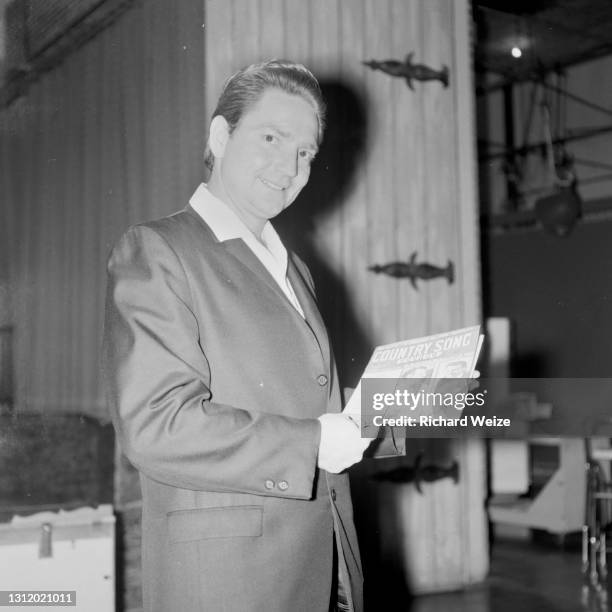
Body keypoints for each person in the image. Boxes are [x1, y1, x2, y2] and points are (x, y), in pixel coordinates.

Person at [102, 60, 379, 612]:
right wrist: (314, 443)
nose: (290, 166)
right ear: (220, 136)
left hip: (317, 563)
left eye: (305, 152)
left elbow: (298, 404)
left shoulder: (292, 266)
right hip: (228, 582)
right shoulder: (159, 251)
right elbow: (157, 425)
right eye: (272, 138)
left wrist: (395, 406)